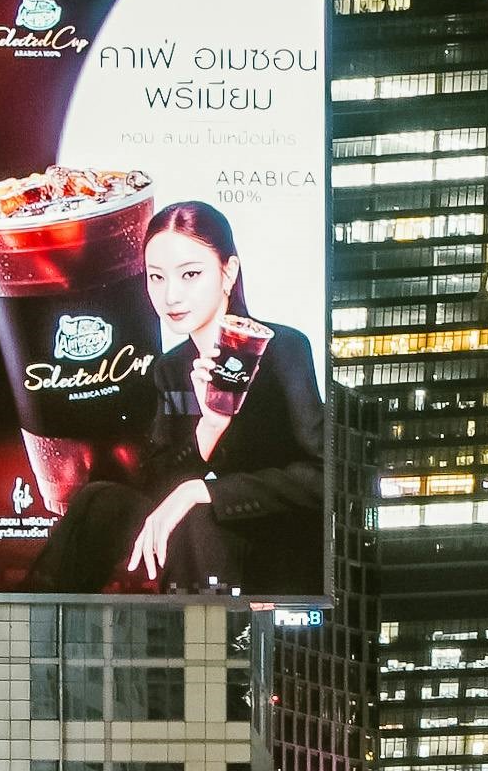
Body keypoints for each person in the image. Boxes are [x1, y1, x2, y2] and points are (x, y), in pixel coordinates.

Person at [25, 200, 324, 596]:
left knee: (197, 516)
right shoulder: (169, 369)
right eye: (156, 277)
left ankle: (203, 645)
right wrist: (210, 426)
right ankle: (31, 625)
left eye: (190, 274)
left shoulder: (283, 349)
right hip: (193, 531)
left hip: (271, 534)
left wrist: (204, 492)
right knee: (100, 500)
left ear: (227, 272)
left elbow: (322, 478)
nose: (170, 296)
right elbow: (159, 482)